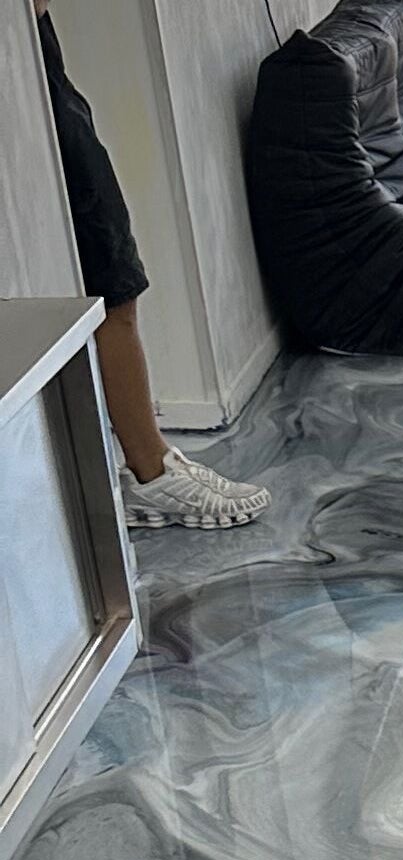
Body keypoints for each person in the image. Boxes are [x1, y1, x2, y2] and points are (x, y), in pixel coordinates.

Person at [34, 0, 270, 529]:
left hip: (35, 61)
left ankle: (151, 465)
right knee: (110, 282)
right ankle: (150, 472)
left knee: (111, 276)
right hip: (27, 82)